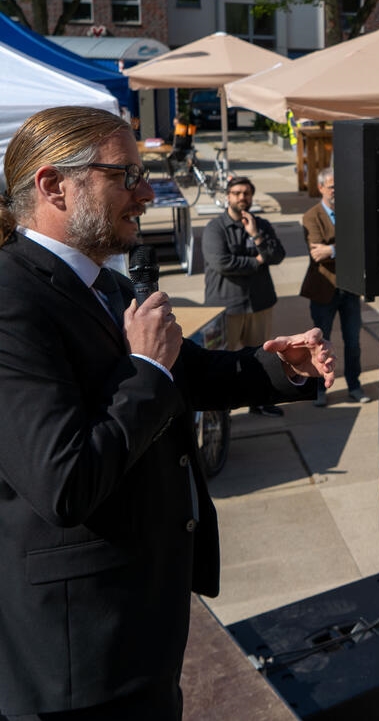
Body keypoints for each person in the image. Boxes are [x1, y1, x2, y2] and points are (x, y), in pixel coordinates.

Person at [0, 105, 333, 719]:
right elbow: (66, 481)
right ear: (53, 185)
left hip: (143, 619)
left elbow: (185, 373)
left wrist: (278, 368)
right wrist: (146, 369)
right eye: (124, 176)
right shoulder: (11, 299)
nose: (147, 193)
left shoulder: (107, 282)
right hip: (79, 659)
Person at [204, 175, 287, 417]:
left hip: (259, 303)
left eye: (246, 193)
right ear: (228, 196)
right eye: (237, 193)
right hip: (226, 304)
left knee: (261, 357)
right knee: (223, 360)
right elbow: (222, 263)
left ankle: (259, 401)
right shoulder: (214, 228)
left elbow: (278, 255)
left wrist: (256, 235)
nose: (242, 197)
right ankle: (224, 408)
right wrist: (258, 260)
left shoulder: (261, 224)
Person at [301, 167, 368, 405]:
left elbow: (363, 244)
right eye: (331, 187)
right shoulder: (311, 216)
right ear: (320, 188)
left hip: (349, 289)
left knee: (353, 342)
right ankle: (320, 389)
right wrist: (347, 248)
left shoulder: (351, 213)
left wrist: (333, 249)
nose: (336, 191)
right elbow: (317, 254)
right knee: (320, 345)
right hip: (323, 290)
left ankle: (355, 385)